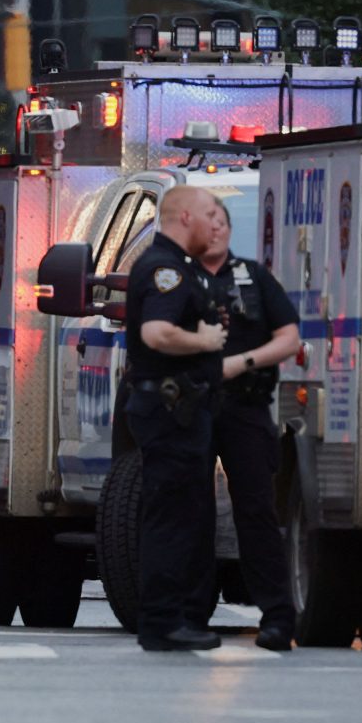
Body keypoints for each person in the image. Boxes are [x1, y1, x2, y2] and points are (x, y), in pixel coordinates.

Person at [123, 186, 228, 651]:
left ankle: (175, 617)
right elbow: (156, 332)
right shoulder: (165, 270)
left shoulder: (178, 268)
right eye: (210, 214)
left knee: (184, 515)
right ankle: (163, 622)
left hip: (176, 411)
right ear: (184, 216)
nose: (216, 223)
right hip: (169, 412)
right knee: (172, 518)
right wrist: (204, 343)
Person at [199, 203, 299, 651]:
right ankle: (188, 613)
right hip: (190, 410)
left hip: (245, 407)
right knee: (187, 513)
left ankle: (277, 618)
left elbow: (289, 338)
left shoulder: (254, 278)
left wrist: (243, 362)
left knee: (256, 513)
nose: (215, 229)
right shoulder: (171, 277)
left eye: (222, 222)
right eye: (207, 221)